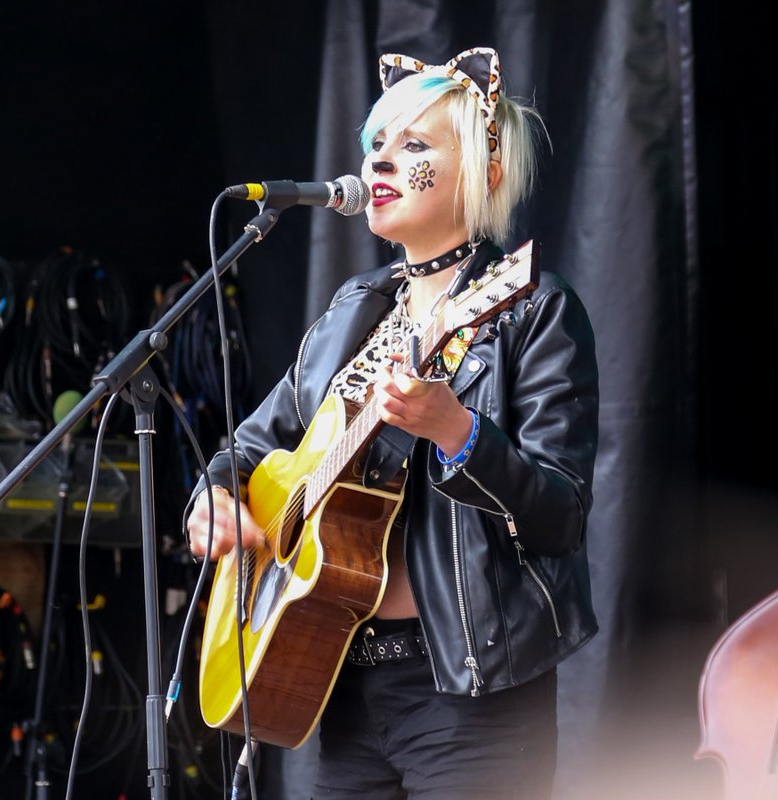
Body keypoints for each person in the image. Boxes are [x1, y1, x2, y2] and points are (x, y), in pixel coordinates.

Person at [186, 47, 599, 799]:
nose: (379, 162)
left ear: (485, 170)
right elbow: (250, 446)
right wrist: (215, 498)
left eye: (413, 146)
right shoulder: (356, 309)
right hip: (334, 679)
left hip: (472, 695)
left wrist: (457, 434)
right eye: (375, 142)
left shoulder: (530, 309)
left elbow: (561, 513)